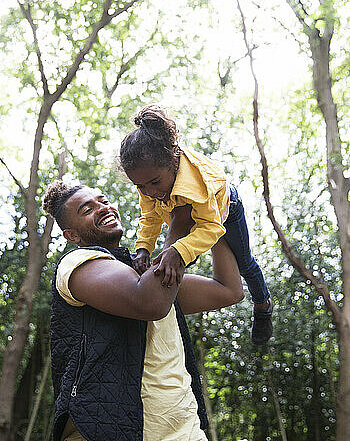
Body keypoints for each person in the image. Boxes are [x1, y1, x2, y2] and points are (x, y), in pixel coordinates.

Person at [43, 179, 243, 441]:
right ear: (72, 235)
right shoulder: (77, 263)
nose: (103, 208)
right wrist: (180, 221)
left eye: (103, 200)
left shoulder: (151, 277)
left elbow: (228, 290)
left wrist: (212, 217)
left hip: (183, 431)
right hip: (105, 429)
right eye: (87, 209)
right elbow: (149, 302)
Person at [119, 105, 273, 345]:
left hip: (225, 208)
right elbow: (150, 217)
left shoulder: (197, 184)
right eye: (140, 186)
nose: (149, 191)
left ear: (171, 163)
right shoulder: (149, 183)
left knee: (245, 264)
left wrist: (179, 250)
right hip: (188, 210)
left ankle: (262, 304)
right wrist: (143, 248)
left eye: (154, 182)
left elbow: (211, 227)